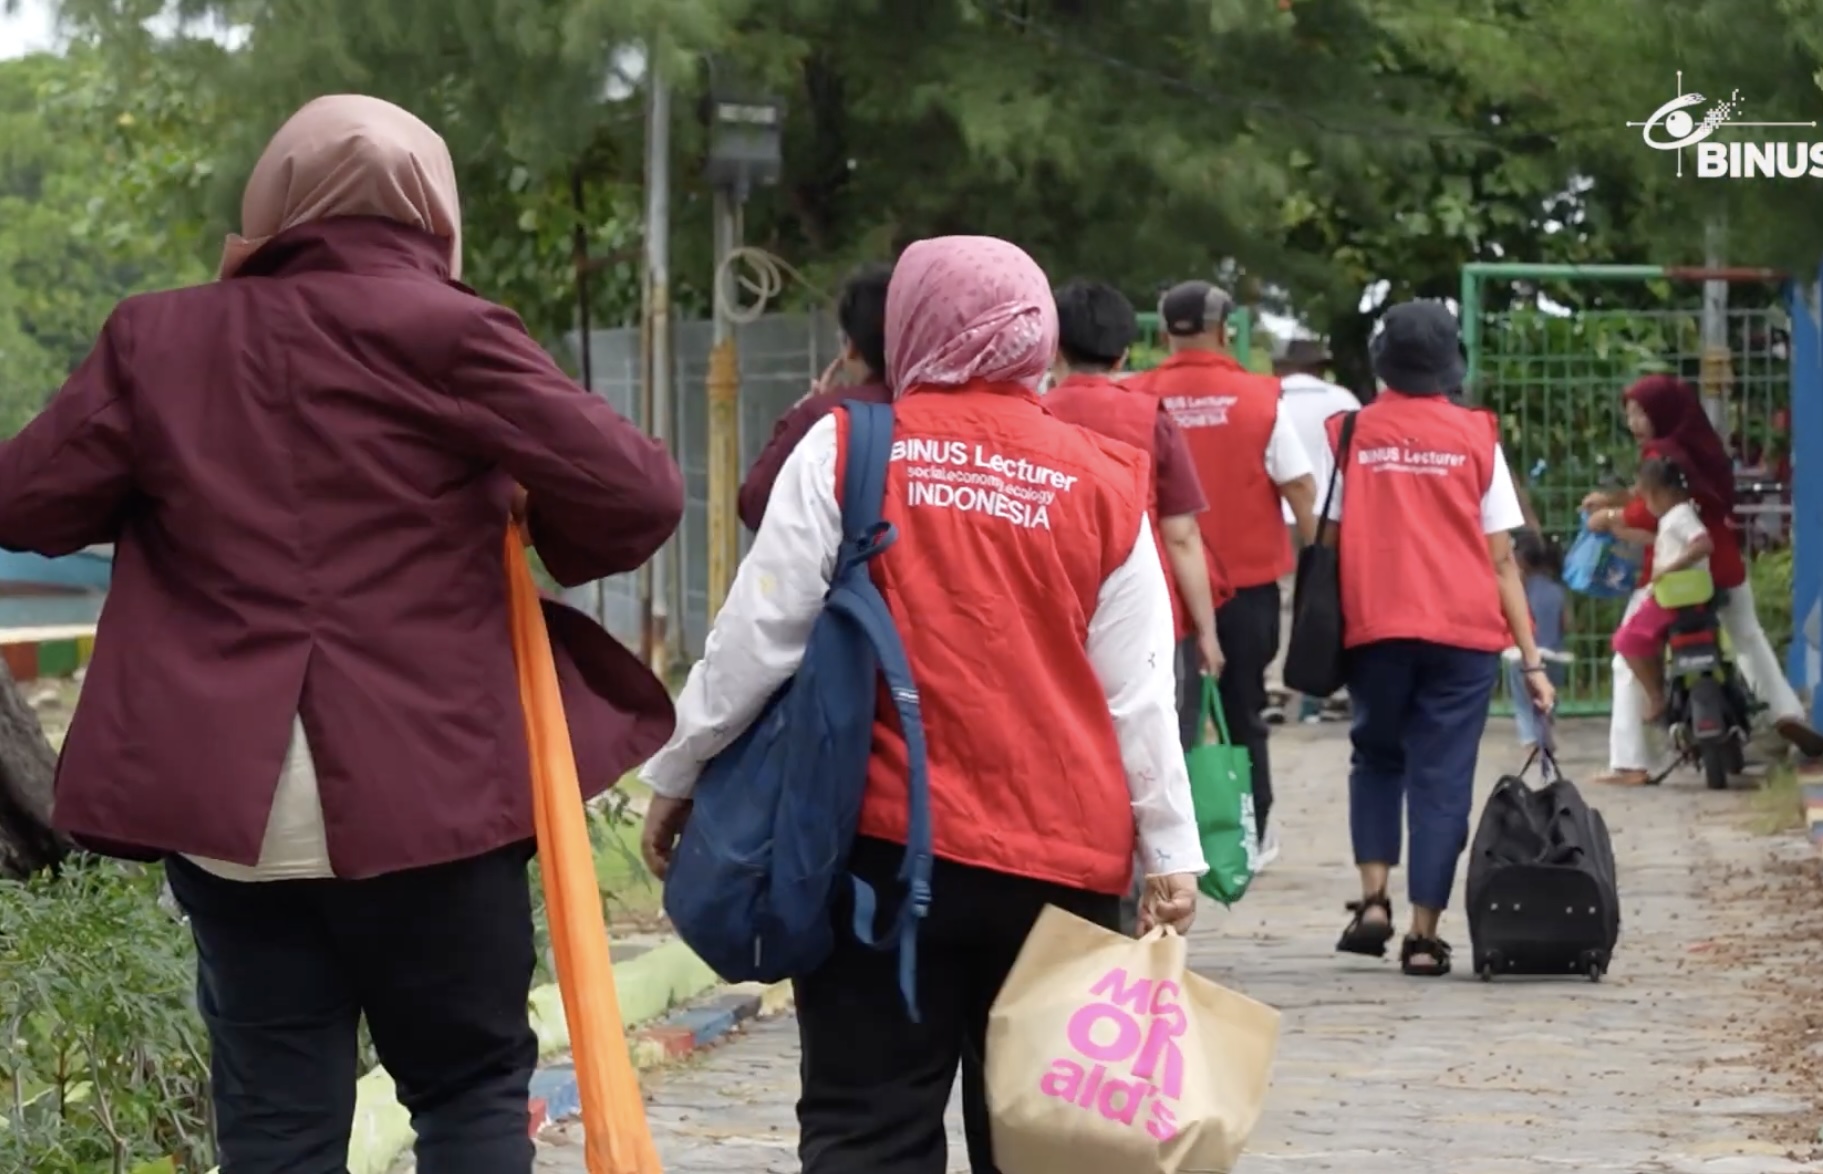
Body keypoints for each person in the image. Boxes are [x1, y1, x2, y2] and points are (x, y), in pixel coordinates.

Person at [0, 95, 684, 1173]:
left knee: (276, 1120)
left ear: (273, 207)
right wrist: (521, 501)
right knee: (467, 1092)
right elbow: (639, 494)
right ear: (429, 209)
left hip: (237, 808)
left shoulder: (156, 338)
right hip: (436, 791)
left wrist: (164, 479)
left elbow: (26, 503)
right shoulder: (452, 329)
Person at [634, 235, 1207, 1174]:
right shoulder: (1106, 478)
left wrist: (681, 769)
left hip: (878, 866)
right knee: (1047, 1152)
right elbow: (1139, 687)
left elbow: (757, 636)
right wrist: (1170, 852)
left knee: (868, 1132)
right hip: (1063, 874)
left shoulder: (848, 448)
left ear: (912, 329)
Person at [1325, 301, 1555, 977]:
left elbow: (1330, 537)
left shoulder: (1352, 431)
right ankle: (1424, 936)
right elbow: (1503, 559)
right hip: (1463, 633)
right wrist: (1533, 661)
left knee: (1375, 755)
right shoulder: (1478, 437)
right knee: (1443, 778)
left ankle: (1372, 901)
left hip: (1376, 625)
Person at [1125, 280, 1320, 871]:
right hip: (1245, 584)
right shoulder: (1261, 398)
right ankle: (1251, 831)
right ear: (1226, 330)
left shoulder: (1136, 396)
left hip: (1156, 586)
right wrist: (1317, 562)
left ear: (1162, 333)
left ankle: (1165, 841)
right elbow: (1301, 488)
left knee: (1159, 713)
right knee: (1244, 710)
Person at [1582, 374, 1823, 786]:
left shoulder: (1661, 452)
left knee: (1626, 656)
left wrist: (1609, 518)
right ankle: (1785, 712)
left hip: (1674, 574)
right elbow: (1665, 495)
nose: (1633, 422)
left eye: (1639, 412)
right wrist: (1617, 499)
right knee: (1749, 638)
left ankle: (1628, 761)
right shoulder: (1698, 447)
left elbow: (1651, 512)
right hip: (1721, 563)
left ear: (1660, 412)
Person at [1043, 279, 1223, 746]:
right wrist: (1206, 630)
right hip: (1146, 614)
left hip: (1050, 611)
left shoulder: (1034, 415)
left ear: (1053, 349)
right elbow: (1181, 534)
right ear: (1123, 354)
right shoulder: (1151, 417)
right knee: (1154, 752)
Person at [739, 263, 893, 530]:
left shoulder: (825, 415)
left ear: (851, 348)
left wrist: (803, 411)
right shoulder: (946, 412)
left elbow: (755, 504)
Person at [1272, 337, 1361, 724]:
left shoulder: (1271, 395)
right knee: (1330, 595)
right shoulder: (1342, 399)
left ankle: (1275, 688)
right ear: (1320, 366)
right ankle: (1334, 690)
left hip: (1278, 511)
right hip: (1332, 515)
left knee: (1283, 598)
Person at [1611, 455, 1713, 722]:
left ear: (1660, 493)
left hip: (1674, 597)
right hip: (1685, 596)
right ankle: (1663, 689)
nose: (1646, 505)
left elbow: (1703, 544)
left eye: (1646, 498)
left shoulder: (1680, 515)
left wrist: (1669, 569)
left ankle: (1656, 695)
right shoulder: (1676, 516)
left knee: (1625, 640)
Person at [1506, 530, 1572, 751]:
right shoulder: (1557, 590)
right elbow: (1567, 623)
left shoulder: (1519, 590)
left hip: (1524, 655)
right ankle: (1545, 735)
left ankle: (1530, 739)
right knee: (1547, 696)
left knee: (1523, 700)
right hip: (1553, 654)